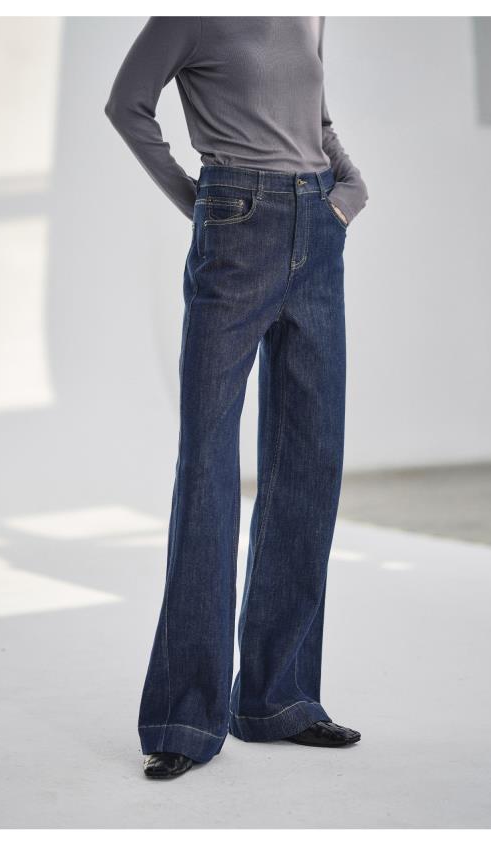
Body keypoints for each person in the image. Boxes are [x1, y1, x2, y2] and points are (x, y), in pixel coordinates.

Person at [105, 16, 368, 780]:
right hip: (236, 222)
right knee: (208, 469)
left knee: (308, 463)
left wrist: (349, 189)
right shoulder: (190, 13)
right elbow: (127, 105)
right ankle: (186, 717)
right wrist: (196, 198)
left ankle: (278, 699)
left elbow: (316, 117)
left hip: (318, 230)